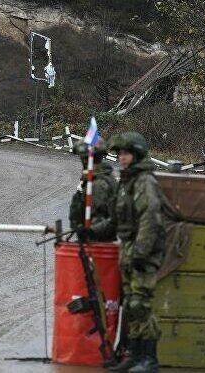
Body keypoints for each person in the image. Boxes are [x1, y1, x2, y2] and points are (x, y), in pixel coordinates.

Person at [88, 131, 165, 373]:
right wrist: (89, 231)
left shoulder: (144, 182)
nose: (121, 158)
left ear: (137, 154)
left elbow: (150, 220)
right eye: (119, 153)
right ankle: (134, 354)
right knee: (131, 305)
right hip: (129, 252)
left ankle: (148, 360)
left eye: (126, 153)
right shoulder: (127, 182)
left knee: (141, 304)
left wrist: (140, 254)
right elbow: (115, 220)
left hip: (142, 254)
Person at [69, 138, 117, 242]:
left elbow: (99, 217)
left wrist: (89, 233)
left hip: (96, 244)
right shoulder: (101, 178)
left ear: (86, 159)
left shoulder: (98, 184)